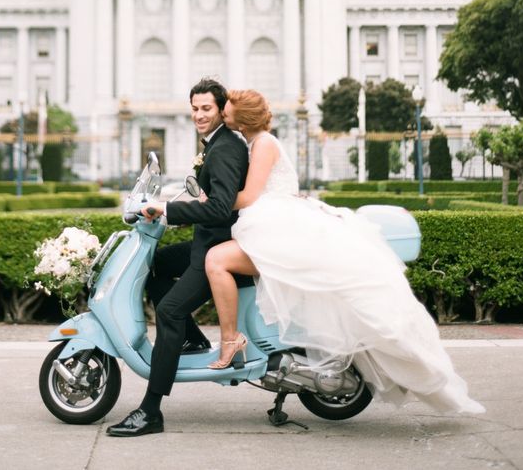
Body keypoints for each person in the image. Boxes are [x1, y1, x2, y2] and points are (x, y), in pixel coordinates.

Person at [203, 88, 484, 414]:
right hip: (274, 221)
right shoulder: (257, 142)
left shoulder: (264, 143)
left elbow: (251, 196)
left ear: (244, 116)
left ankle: (230, 341)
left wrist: (207, 202)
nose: (223, 112)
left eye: (228, 109)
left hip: (273, 225)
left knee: (217, 261)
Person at [106, 77, 249, 438]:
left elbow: (218, 207)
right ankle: (193, 340)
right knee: (155, 268)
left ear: (220, 109)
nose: (199, 115)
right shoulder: (216, 144)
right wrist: (161, 205)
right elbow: (207, 198)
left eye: (206, 109)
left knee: (169, 310)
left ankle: (151, 410)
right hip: (207, 241)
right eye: (195, 109)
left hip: (217, 249)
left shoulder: (227, 147)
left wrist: (169, 209)